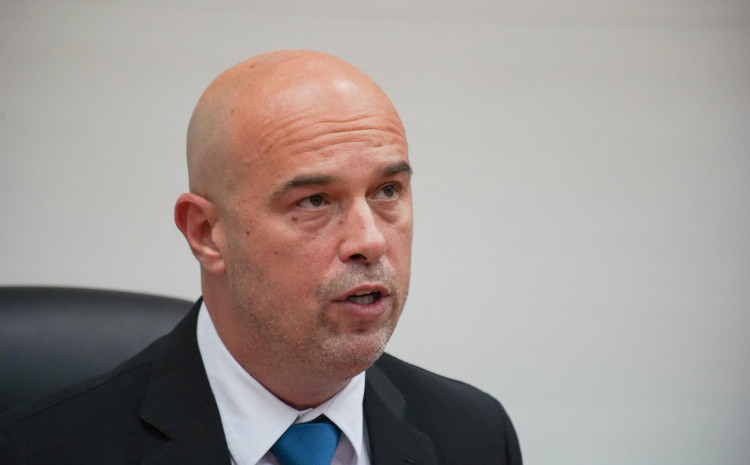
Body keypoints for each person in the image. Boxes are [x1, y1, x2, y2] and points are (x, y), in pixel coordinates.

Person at [0, 50, 522, 464]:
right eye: (314, 201)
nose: (370, 241)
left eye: (387, 191)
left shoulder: (475, 436)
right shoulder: (41, 450)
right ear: (206, 233)